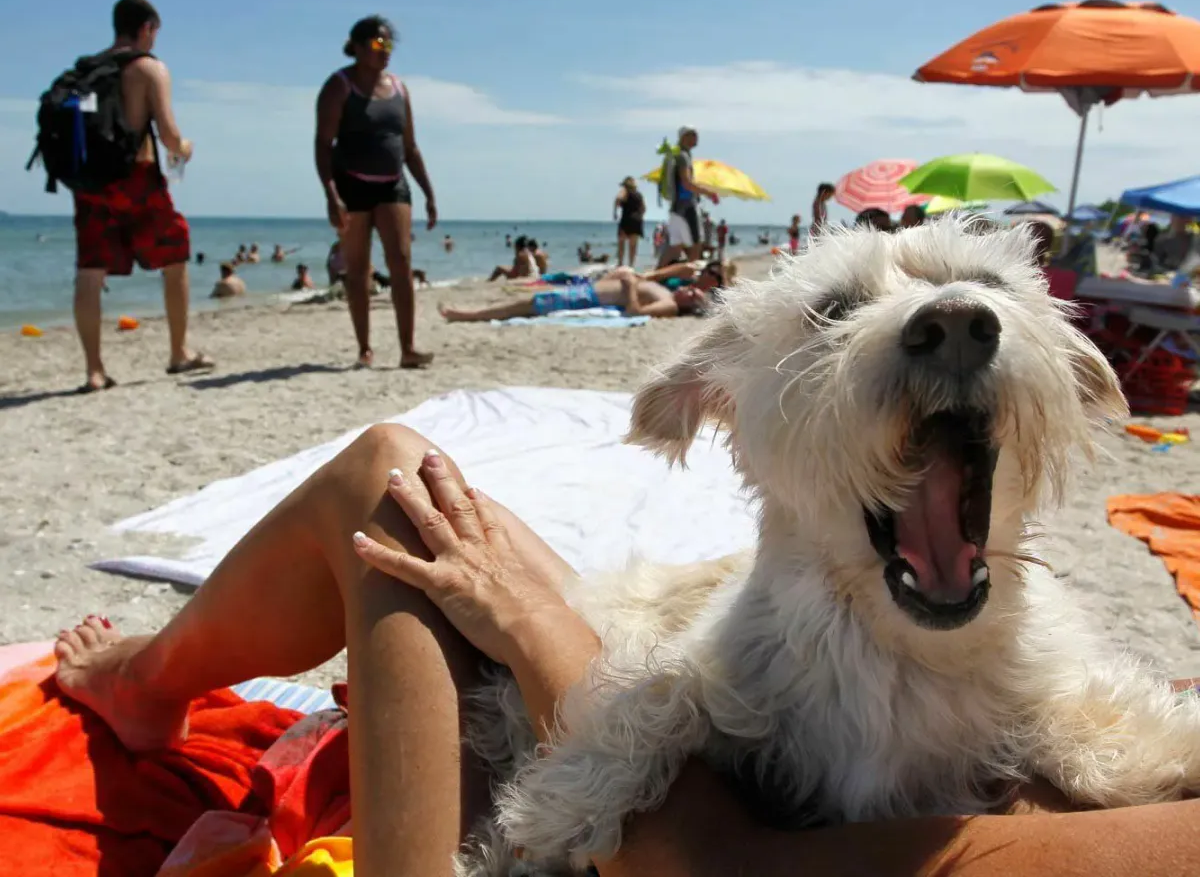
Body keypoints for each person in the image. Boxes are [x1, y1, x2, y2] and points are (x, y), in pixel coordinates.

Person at [48, 428, 1200, 877]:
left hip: (654, 850)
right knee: (454, 524)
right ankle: (148, 679)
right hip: (759, 798)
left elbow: (716, 870)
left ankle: (145, 685)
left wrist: (538, 628)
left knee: (392, 488)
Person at [68, 0, 212, 393]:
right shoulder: (148, 69)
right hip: (137, 177)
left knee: (90, 271)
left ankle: (94, 370)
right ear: (147, 28)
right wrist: (186, 149)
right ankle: (179, 352)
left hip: (91, 183)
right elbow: (168, 135)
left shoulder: (86, 71)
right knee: (176, 254)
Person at [316, 15, 437, 369]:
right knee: (358, 271)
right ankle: (364, 348)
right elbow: (323, 143)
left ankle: (408, 347)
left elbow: (410, 147)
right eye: (377, 45)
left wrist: (428, 192)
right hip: (351, 184)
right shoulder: (339, 87)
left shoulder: (399, 89)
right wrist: (330, 193)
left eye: (388, 45)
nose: (385, 52)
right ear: (356, 47)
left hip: (393, 184)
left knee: (401, 261)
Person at [442, 266, 720, 321]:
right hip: (589, 289)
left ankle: (466, 315)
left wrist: (630, 287)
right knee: (523, 300)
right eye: (694, 289)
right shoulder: (668, 290)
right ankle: (471, 312)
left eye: (693, 295)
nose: (691, 289)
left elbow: (635, 311)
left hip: (591, 298)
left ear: (688, 306)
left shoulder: (669, 305)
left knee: (527, 304)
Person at [661, 126, 720, 266]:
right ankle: (692, 278)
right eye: (692, 134)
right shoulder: (683, 156)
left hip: (676, 206)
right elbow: (687, 183)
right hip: (686, 205)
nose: (696, 137)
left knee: (675, 247)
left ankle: (656, 275)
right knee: (696, 244)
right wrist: (709, 193)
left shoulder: (679, 155)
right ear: (684, 137)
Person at [613, 176, 645, 267]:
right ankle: (631, 266)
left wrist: (615, 211)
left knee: (621, 243)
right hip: (637, 220)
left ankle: (620, 264)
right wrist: (639, 216)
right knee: (633, 246)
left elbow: (617, 199)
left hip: (627, 219)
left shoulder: (624, 191)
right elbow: (643, 208)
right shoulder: (639, 195)